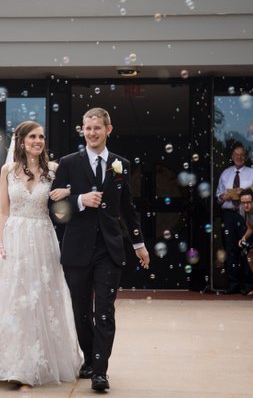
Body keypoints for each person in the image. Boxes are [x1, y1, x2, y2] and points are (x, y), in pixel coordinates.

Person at [0, 121, 83, 387]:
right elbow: (3, 212)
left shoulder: (53, 169)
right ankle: (13, 362)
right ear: (21, 141)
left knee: (43, 296)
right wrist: (0, 243)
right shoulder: (7, 170)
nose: (38, 141)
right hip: (15, 237)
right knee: (15, 298)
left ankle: (41, 361)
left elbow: (78, 188)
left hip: (43, 236)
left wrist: (68, 190)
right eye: (32, 136)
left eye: (41, 136)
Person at [51, 107, 150, 392]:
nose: (92, 133)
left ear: (108, 129)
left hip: (109, 249)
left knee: (104, 311)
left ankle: (100, 371)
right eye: (87, 128)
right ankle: (91, 357)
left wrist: (139, 244)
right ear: (82, 130)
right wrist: (80, 200)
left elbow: (127, 208)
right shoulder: (68, 163)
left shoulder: (121, 164)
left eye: (97, 128)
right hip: (77, 249)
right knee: (81, 311)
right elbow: (53, 207)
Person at [216, 144, 253, 294]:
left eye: (242, 154)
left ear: (246, 157)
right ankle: (233, 285)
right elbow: (218, 197)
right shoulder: (225, 173)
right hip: (229, 214)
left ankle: (248, 284)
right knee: (230, 249)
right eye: (236, 154)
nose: (239, 157)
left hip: (246, 214)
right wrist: (223, 196)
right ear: (232, 157)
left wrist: (247, 195)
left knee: (246, 248)